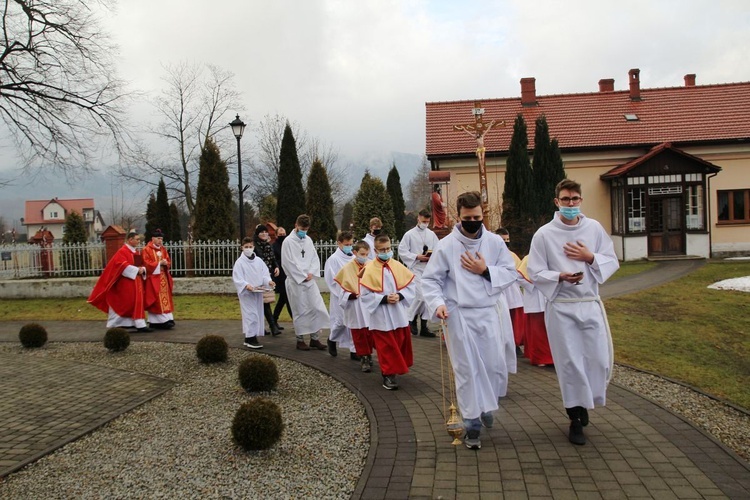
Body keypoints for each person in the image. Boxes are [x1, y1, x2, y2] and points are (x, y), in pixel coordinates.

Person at [422, 191, 518, 450]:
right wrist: (438, 304)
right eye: (468, 218)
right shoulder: (447, 246)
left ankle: (486, 407)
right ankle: (472, 423)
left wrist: (485, 270)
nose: (473, 222)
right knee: (467, 371)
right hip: (460, 314)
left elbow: (511, 273)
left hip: (488, 313)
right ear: (459, 216)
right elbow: (431, 280)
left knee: (491, 366)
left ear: (482, 215)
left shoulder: (495, 243)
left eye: (477, 217)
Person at [527, 179, 619, 446]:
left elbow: (611, 261)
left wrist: (590, 257)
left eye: (574, 199)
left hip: (589, 302)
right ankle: (575, 416)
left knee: (597, 359)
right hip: (562, 307)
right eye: (565, 200)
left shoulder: (594, 229)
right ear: (556, 202)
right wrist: (559, 276)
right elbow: (535, 271)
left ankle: (586, 403)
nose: (570, 204)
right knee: (570, 363)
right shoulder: (544, 234)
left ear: (581, 200)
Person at [359, 234, 415, 390]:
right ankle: (388, 375)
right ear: (376, 251)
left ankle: (395, 370)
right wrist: (383, 299)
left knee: (399, 343)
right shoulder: (369, 269)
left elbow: (411, 286)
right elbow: (365, 295)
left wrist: (400, 295)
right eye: (382, 249)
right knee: (386, 347)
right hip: (381, 315)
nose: (386, 251)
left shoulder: (397, 265)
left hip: (398, 313)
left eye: (389, 248)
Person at [281, 214, 330, 351]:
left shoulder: (308, 240)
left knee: (316, 307)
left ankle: (315, 338)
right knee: (300, 310)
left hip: (309, 280)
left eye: (306, 229)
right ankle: (300, 340)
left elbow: (314, 258)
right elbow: (287, 262)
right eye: (302, 228)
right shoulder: (288, 242)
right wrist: (302, 276)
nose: (304, 231)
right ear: (296, 225)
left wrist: (312, 273)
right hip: (296, 282)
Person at [88, 230, 152, 332]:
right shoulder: (122, 251)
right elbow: (120, 265)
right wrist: (136, 270)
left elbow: (140, 265)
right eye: (137, 239)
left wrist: (142, 269)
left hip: (136, 282)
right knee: (125, 303)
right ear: (130, 240)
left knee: (136, 302)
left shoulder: (135, 251)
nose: (139, 241)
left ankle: (135, 323)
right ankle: (118, 323)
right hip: (125, 284)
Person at [334, 240, 375, 373]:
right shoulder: (347, 268)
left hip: (368, 305)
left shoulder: (370, 266)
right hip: (355, 306)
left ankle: (369, 355)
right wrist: (350, 295)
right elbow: (342, 291)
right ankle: (363, 357)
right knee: (359, 334)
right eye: (362, 254)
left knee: (369, 333)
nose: (365, 257)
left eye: (367, 254)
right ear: (355, 252)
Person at [398, 209, 439, 337]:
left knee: (428, 297)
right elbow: (402, 251)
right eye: (423, 221)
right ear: (418, 219)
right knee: (420, 296)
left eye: (427, 221)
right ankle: (411, 320)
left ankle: (424, 326)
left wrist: (432, 256)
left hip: (428, 268)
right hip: (416, 268)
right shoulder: (409, 234)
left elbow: (438, 249)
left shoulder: (431, 234)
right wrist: (416, 256)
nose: (425, 224)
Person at [232, 237, 276, 349]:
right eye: (246, 247)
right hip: (247, 293)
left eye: (250, 247)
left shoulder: (259, 261)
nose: (248, 249)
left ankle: (249, 337)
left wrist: (269, 281)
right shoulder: (239, 263)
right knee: (251, 314)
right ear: (242, 248)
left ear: (253, 247)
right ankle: (252, 338)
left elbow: (265, 274)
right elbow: (238, 278)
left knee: (257, 313)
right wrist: (246, 285)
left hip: (258, 292)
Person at [324, 230, 358, 359]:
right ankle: (332, 339)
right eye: (346, 244)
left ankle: (354, 351)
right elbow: (332, 280)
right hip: (340, 296)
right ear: (339, 243)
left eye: (351, 243)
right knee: (341, 322)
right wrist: (345, 293)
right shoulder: (333, 259)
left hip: (354, 295)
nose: (349, 246)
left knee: (354, 323)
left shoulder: (354, 258)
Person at [517, 255, 554, 367]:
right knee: (537, 331)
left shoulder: (551, 256)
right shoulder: (529, 258)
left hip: (549, 296)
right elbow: (519, 276)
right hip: (535, 298)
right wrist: (534, 285)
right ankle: (540, 358)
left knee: (551, 330)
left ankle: (552, 356)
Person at [496, 227, 525, 354]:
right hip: (500, 292)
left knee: (515, 320)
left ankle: (515, 344)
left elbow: (520, 271)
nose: (506, 242)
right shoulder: (492, 254)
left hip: (512, 291)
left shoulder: (512, 255)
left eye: (507, 239)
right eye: (503, 240)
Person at [142, 228, 175, 330]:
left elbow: (168, 260)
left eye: (161, 239)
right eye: (158, 238)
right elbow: (146, 263)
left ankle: (168, 319)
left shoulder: (163, 249)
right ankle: (157, 321)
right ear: (153, 238)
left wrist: (166, 263)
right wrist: (159, 263)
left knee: (165, 298)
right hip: (153, 278)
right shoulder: (146, 250)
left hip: (163, 276)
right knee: (155, 298)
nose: (160, 241)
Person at [254, 224, 282, 336]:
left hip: (268, 277)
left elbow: (273, 258)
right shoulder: (255, 246)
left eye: (266, 232)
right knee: (263, 302)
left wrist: (276, 266)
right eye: (262, 232)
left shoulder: (268, 246)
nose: (264, 234)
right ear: (257, 234)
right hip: (258, 277)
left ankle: (261, 327)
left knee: (265, 302)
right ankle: (272, 326)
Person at [272, 227, 291, 326]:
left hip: (288, 274)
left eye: (284, 234)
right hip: (280, 276)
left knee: (283, 299)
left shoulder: (288, 245)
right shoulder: (274, 246)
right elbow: (274, 261)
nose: (283, 236)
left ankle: (274, 320)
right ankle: (295, 320)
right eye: (280, 234)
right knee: (286, 298)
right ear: (276, 235)